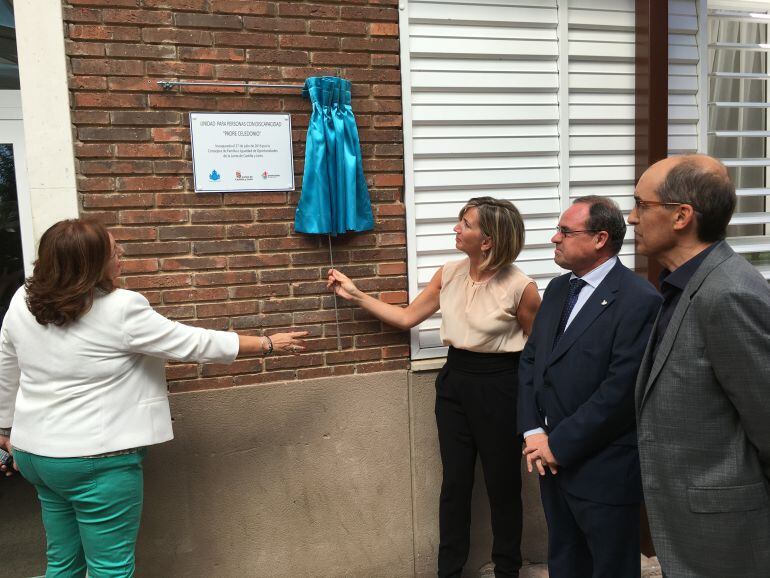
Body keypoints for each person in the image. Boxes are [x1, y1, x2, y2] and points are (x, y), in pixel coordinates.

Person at [0, 218, 307, 578]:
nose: (121, 259)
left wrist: (6, 427)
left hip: (36, 455)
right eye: (113, 254)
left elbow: (7, 365)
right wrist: (267, 343)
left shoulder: (25, 298)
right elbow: (192, 342)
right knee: (110, 570)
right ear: (91, 265)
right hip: (95, 461)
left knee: (62, 565)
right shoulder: (121, 308)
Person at [328, 197, 540, 577]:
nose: (456, 229)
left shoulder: (521, 287)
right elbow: (408, 316)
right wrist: (356, 294)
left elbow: (537, 353)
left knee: (502, 485)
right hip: (455, 383)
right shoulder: (448, 273)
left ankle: (508, 569)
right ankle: (449, 571)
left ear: (487, 240)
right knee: (455, 484)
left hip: (501, 386)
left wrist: (537, 413)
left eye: (466, 224)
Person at [630, 154, 770, 576]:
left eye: (641, 204)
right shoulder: (682, 284)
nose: (632, 218)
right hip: (690, 527)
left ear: (681, 216)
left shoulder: (729, 294)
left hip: (727, 535)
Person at [518, 196, 661, 578]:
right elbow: (533, 360)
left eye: (565, 231)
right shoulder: (559, 289)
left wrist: (557, 445)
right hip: (550, 464)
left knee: (610, 568)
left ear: (600, 239)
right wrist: (533, 431)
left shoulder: (639, 299)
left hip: (605, 470)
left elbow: (619, 393)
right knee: (564, 563)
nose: (554, 238)